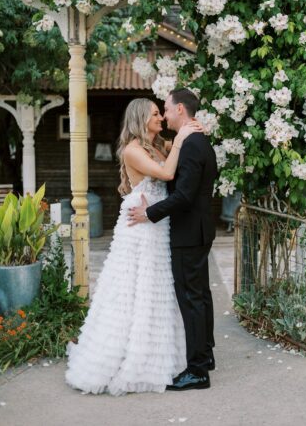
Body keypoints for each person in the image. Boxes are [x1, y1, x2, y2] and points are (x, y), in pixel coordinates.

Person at [65, 98, 201, 395]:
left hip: (156, 221)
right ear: (141, 118)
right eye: (155, 114)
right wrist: (180, 139)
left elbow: (179, 159)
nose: (161, 119)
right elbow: (166, 175)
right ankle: (128, 358)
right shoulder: (133, 150)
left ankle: (165, 357)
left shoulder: (157, 145)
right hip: (140, 226)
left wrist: (188, 133)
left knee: (159, 287)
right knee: (134, 290)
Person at [129, 88, 218, 391]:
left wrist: (150, 213)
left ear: (180, 109)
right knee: (201, 295)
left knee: (192, 299)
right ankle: (205, 357)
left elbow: (183, 195)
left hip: (189, 232)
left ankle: (197, 371)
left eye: (165, 109)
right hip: (199, 229)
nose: (164, 114)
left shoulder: (191, 143)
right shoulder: (195, 140)